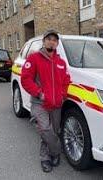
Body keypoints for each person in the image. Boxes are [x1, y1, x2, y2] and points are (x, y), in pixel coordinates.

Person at [21, 29, 71, 173]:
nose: (51, 42)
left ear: (57, 44)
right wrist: (39, 94)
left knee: (53, 132)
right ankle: (52, 155)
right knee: (46, 130)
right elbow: (26, 79)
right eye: (49, 39)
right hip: (40, 103)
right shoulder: (34, 58)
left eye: (54, 40)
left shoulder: (61, 62)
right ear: (44, 41)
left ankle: (49, 156)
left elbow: (66, 80)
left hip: (56, 104)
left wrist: (62, 95)